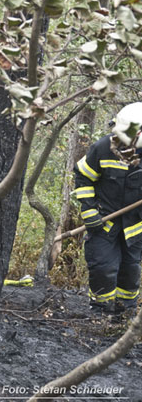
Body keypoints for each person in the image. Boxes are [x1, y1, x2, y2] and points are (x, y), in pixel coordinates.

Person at [74, 102, 142, 314]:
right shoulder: (103, 148)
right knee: (103, 267)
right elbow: (84, 178)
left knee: (130, 271)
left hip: (135, 225)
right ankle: (100, 312)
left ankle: (125, 311)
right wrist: (89, 212)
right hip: (103, 222)